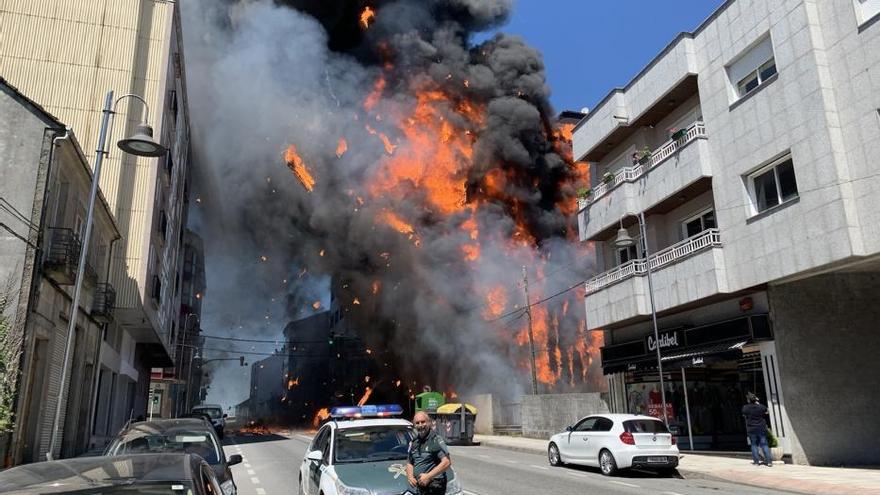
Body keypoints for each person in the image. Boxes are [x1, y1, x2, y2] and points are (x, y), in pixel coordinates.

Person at [406, 411, 451, 495]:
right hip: (420, 487)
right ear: (414, 425)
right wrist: (410, 477)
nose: (420, 425)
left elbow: (446, 462)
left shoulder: (435, 440)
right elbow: (410, 462)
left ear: (429, 423)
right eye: (417, 423)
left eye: (423, 422)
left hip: (434, 486)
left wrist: (428, 476)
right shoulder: (414, 442)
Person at [742, 392, 772, 466]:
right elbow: (767, 412)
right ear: (756, 399)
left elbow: (744, 415)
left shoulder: (745, 407)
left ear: (748, 400)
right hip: (761, 428)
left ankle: (756, 462)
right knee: (764, 444)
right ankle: (769, 462)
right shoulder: (761, 407)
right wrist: (758, 403)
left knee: (754, 444)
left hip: (751, 429)